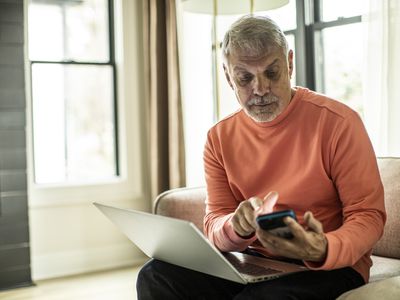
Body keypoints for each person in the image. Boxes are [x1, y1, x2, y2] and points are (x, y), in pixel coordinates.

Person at [136, 15, 386, 299]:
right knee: (156, 274)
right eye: (245, 77)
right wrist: (235, 227)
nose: (260, 89)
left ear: (289, 63)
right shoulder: (219, 137)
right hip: (255, 261)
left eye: (271, 73)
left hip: (328, 265)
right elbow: (215, 222)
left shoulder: (339, 122)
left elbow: (369, 216)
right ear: (229, 76)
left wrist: (321, 247)